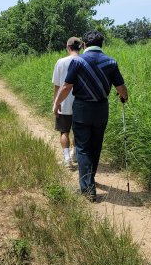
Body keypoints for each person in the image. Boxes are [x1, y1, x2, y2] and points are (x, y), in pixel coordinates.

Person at [52, 30, 128, 202]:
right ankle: (90, 181)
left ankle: (87, 188)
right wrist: (124, 97)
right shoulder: (111, 62)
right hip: (101, 108)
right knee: (96, 146)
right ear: (101, 45)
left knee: (83, 148)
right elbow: (121, 88)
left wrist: (57, 103)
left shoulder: (78, 61)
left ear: (85, 44)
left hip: (82, 108)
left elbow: (66, 86)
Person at [52, 37, 82, 168]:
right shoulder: (84, 61)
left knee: (64, 131)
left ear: (68, 47)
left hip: (64, 102)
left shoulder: (61, 62)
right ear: (80, 47)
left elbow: (57, 86)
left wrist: (56, 102)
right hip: (81, 103)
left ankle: (66, 159)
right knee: (78, 131)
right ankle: (75, 153)